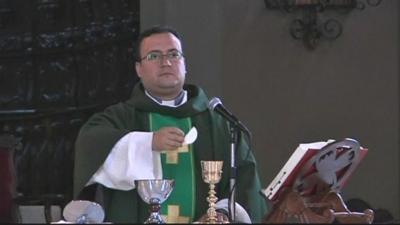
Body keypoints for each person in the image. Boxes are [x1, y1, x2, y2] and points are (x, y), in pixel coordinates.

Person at [73, 25, 268, 223]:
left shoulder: (221, 124)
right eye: (154, 56)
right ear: (138, 69)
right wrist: (148, 143)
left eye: (174, 54)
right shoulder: (120, 117)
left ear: (184, 64)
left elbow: (245, 185)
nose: (166, 62)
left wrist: (222, 213)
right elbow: (90, 145)